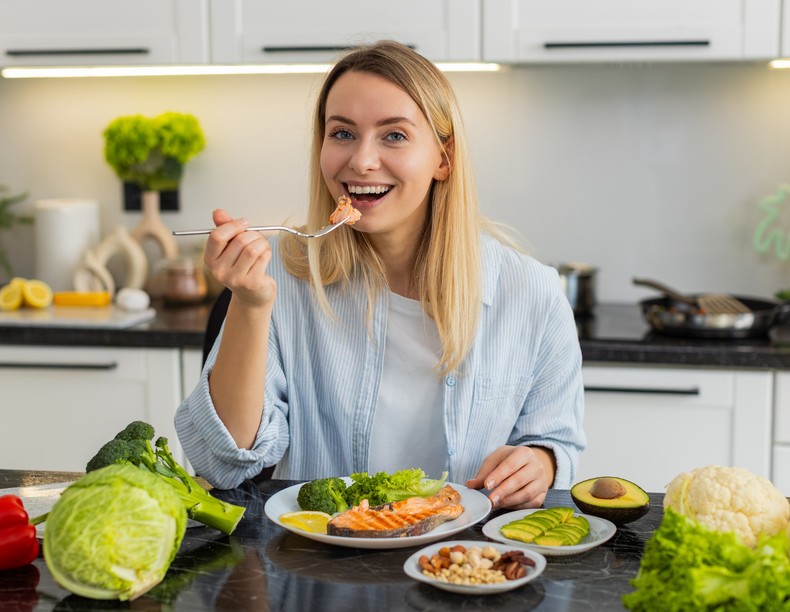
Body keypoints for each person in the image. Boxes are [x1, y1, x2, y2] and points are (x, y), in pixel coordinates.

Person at [175, 40, 585, 510]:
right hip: (321, 564)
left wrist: (541, 462)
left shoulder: (531, 292)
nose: (361, 161)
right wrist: (249, 306)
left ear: (443, 158)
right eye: (343, 133)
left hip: (465, 563)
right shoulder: (283, 276)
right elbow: (220, 464)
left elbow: (557, 443)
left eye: (393, 136)